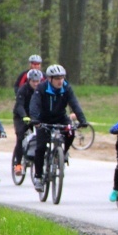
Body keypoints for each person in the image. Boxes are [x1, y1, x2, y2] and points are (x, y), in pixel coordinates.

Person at [29, 64, 88, 192]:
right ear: (50, 79)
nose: (60, 81)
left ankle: (63, 152)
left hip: (61, 117)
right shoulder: (42, 87)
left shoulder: (66, 88)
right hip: (43, 119)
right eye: (57, 78)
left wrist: (82, 119)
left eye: (62, 78)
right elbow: (34, 104)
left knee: (71, 131)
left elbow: (74, 104)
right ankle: (38, 176)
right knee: (40, 147)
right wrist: (35, 119)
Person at [12, 69, 43, 175]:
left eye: (37, 81)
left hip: (35, 116)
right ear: (29, 81)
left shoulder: (42, 90)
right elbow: (19, 105)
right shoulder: (23, 90)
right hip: (21, 116)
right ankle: (18, 164)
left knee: (43, 135)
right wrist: (24, 116)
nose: (35, 83)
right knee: (20, 137)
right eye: (33, 81)